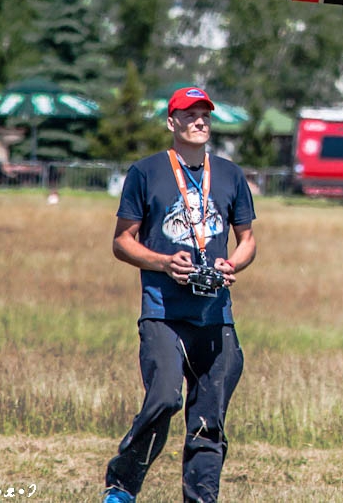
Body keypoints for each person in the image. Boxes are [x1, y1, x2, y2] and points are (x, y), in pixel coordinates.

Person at [103, 86, 257, 503]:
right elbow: (122, 242)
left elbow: (248, 240)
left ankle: (201, 498)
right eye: (189, 114)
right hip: (163, 313)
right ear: (172, 122)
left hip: (215, 317)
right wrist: (163, 262)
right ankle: (122, 483)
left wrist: (234, 264)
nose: (199, 121)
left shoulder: (229, 174)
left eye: (205, 113)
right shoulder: (146, 172)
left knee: (209, 422)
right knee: (165, 398)